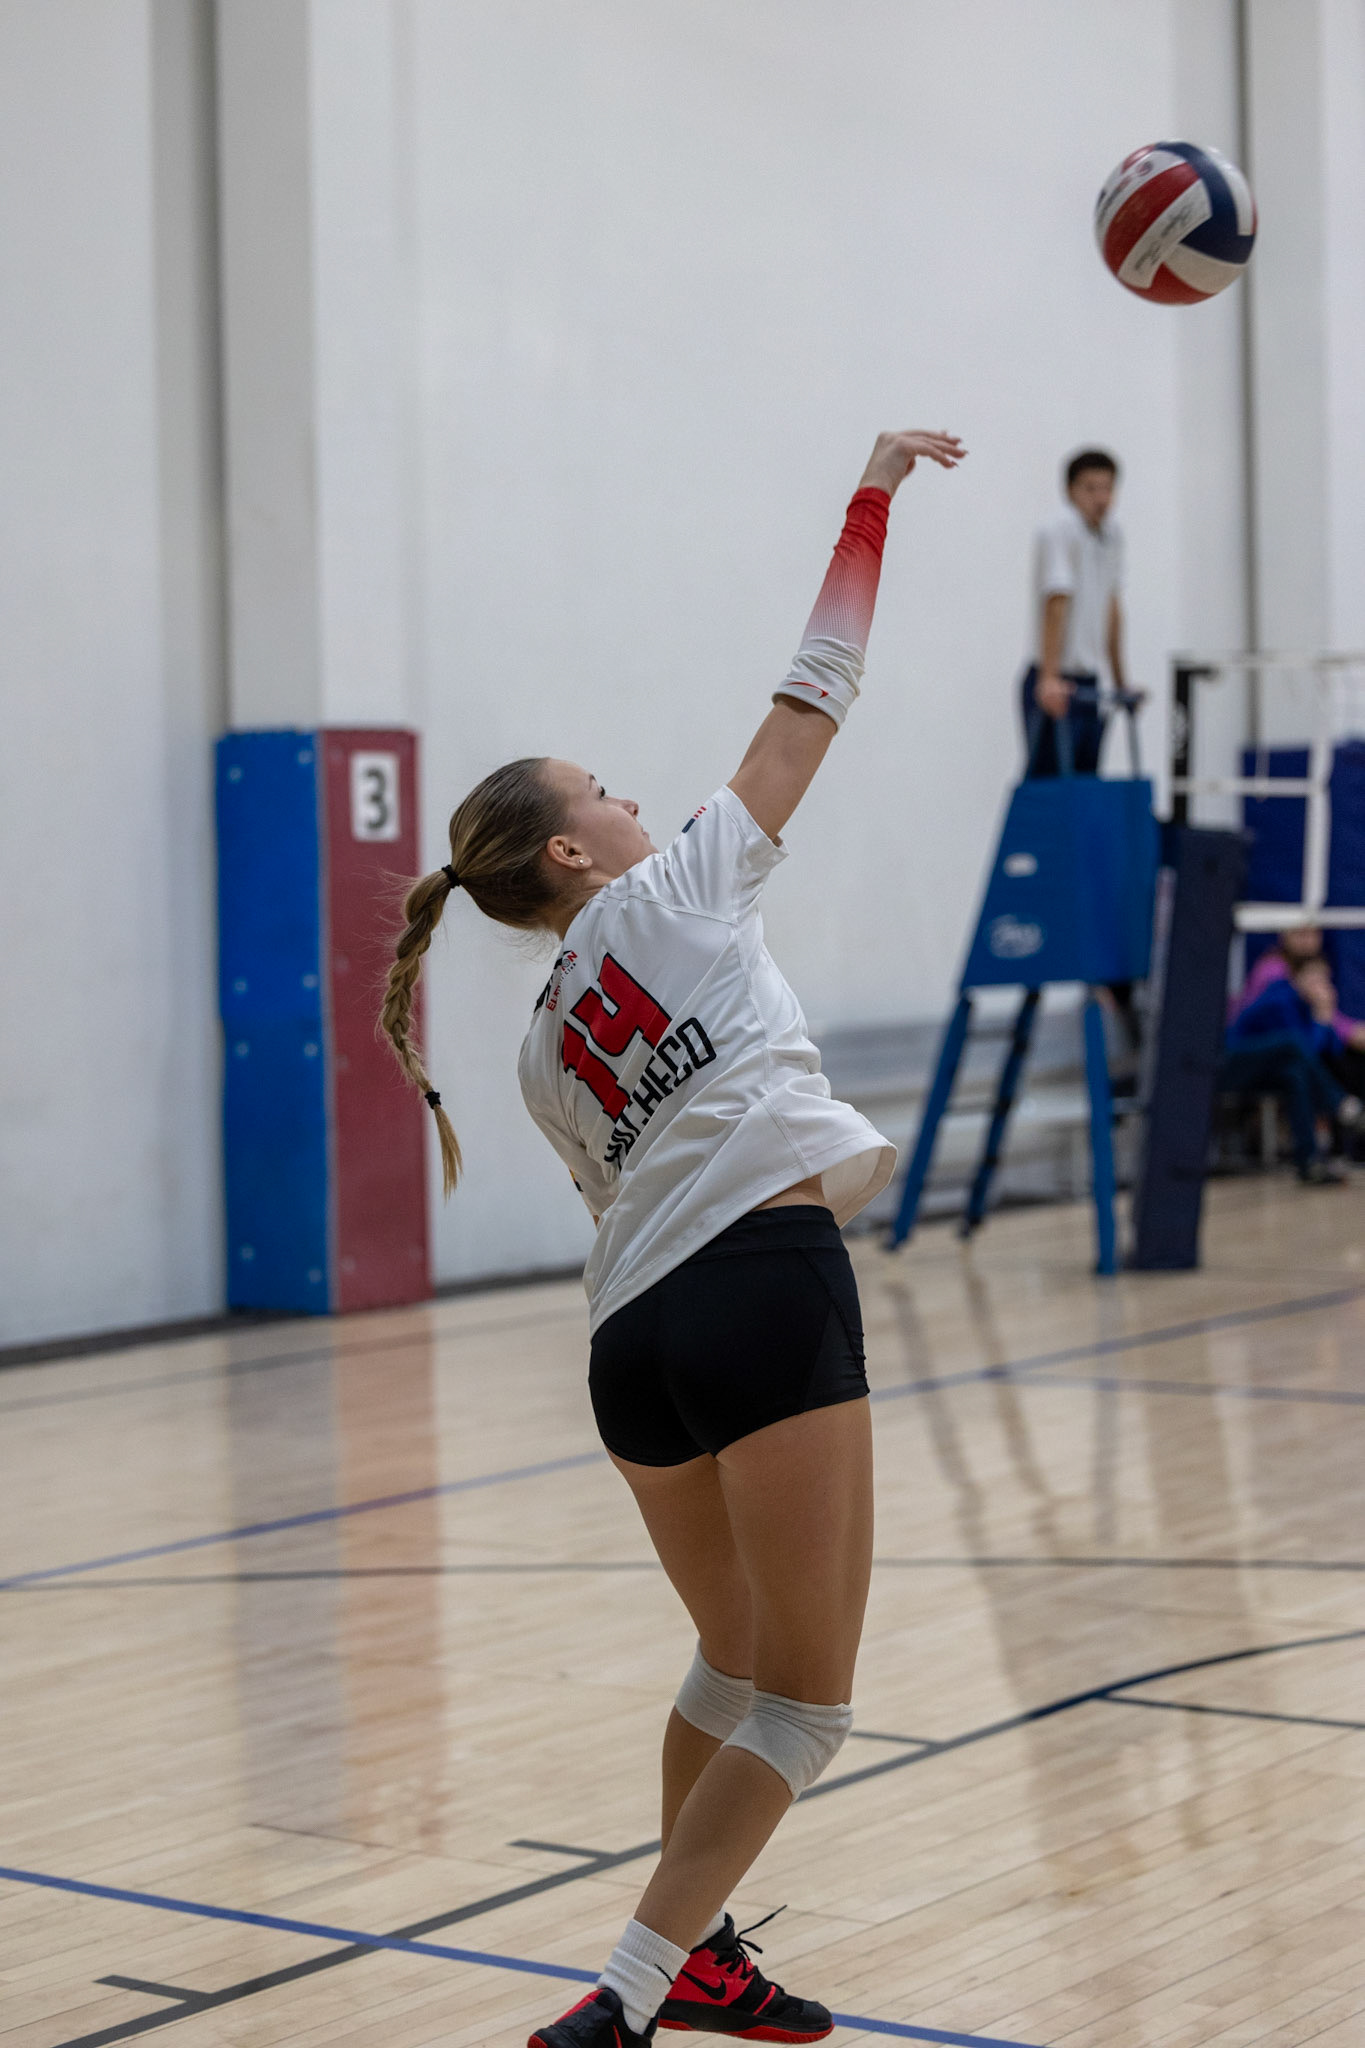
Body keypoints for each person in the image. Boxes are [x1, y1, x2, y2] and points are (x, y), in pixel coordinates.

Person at [379, 428, 966, 2048]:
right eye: (603, 790)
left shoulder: (538, 1050)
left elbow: (619, 1202)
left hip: (630, 1347)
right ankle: (628, 1995)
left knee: (730, 1658)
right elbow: (815, 692)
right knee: (807, 1704)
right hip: (762, 1290)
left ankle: (699, 1963)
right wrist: (869, 501)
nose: (633, 795)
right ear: (571, 851)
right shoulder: (683, 885)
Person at [1021, 448, 1128, 779]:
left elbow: (1111, 608)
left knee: (1085, 782)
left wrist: (1121, 682)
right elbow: (1056, 601)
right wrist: (1049, 678)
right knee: (1049, 782)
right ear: (1070, 491)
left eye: (1107, 488)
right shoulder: (1061, 529)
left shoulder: (1111, 535)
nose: (1100, 498)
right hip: (1056, 679)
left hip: (1088, 683)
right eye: (1090, 488)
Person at [1222, 953, 1362, 1185]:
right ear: (1297, 977)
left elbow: (1327, 1052)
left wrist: (1325, 1019)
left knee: (1295, 1075)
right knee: (1291, 1043)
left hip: (1261, 1072)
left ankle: (1309, 1162)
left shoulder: (1307, 1007)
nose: (1320, 985)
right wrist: (1320, 1022)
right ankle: (1342, 1106)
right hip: (1228, 1063)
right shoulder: (1279, 998)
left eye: (1324, 979)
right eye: (1314, 978)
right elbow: (1305, 1049)